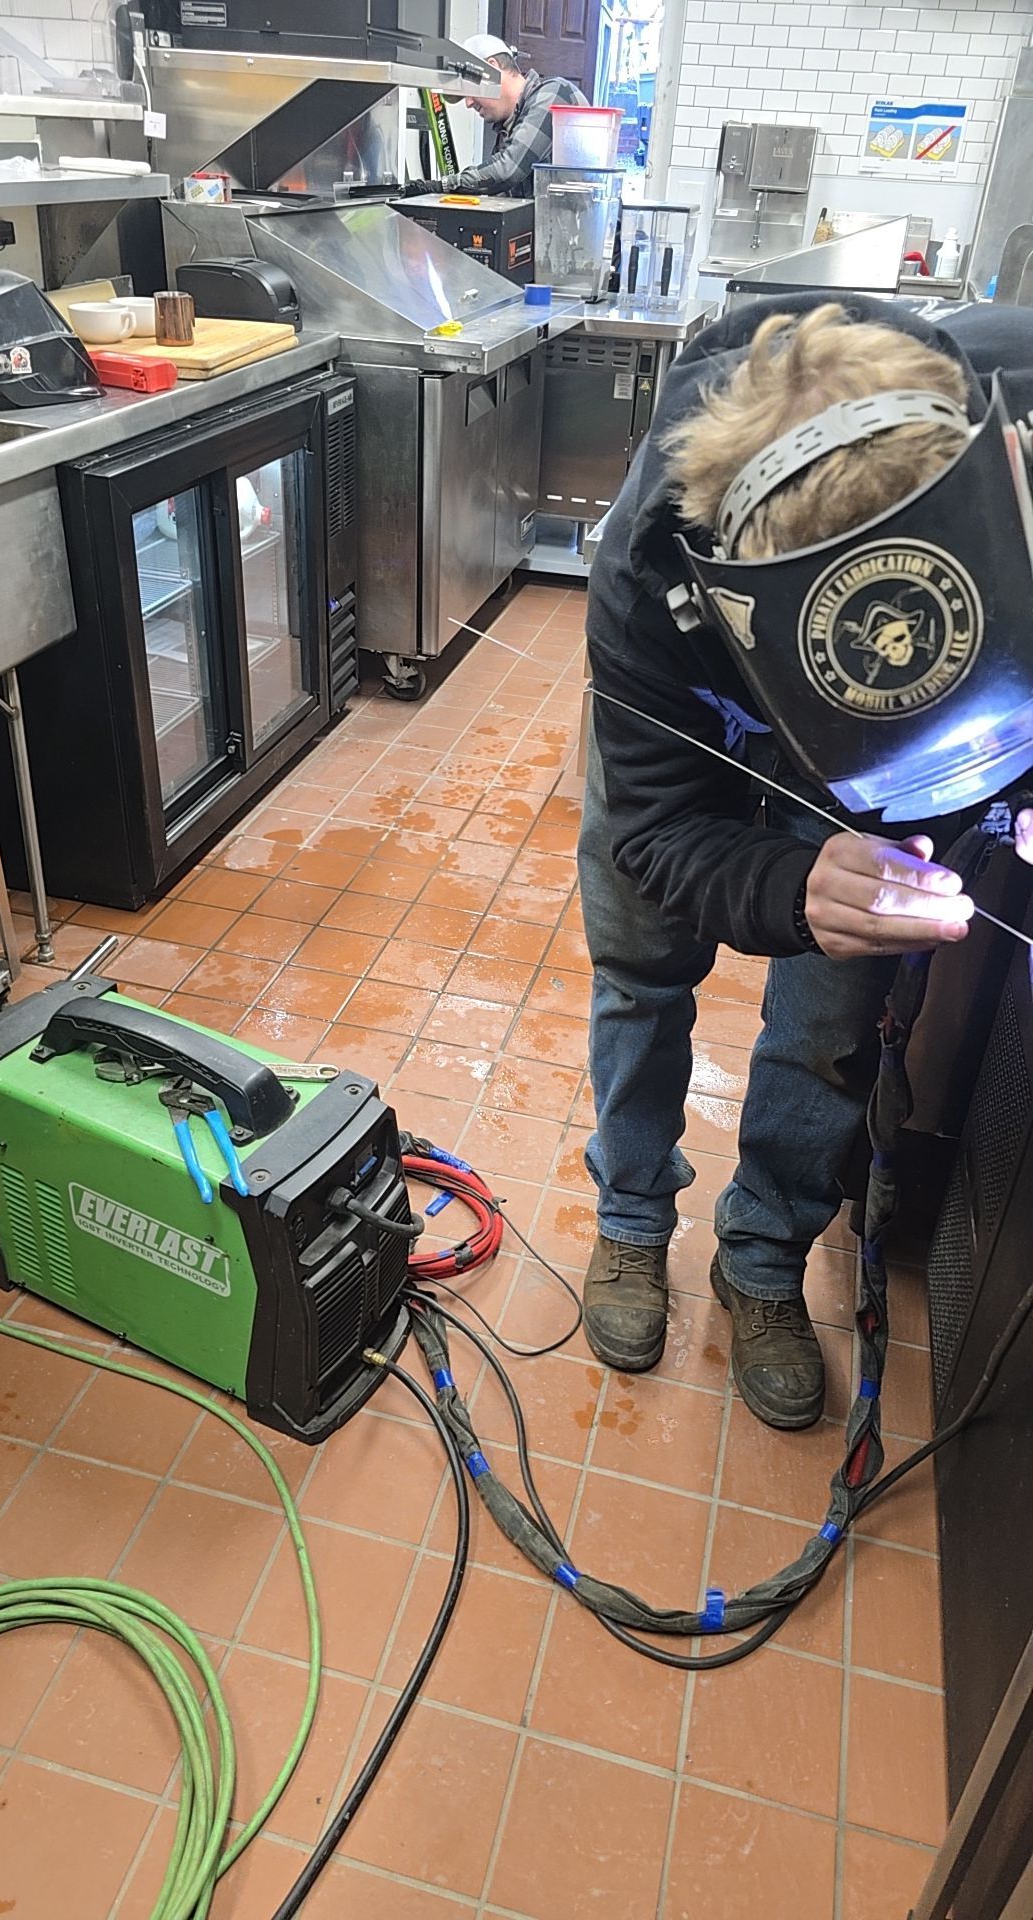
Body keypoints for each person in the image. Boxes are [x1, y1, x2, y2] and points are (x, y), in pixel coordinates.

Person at [580, 292, 1033, 1431]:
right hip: (705, 723)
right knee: (642, 971)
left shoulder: (1010, 408)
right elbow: (654, 830)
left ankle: (764, 1254)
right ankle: (634, 1218)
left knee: (831, 1020)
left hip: (860, 765)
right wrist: (791, 886)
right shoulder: (651, 572)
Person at [402, 33, 587, 200]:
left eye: (468, 90)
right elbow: (495, 193)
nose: (468, 103)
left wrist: (438, 186)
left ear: (491, 69)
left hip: (575, 233)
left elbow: (507, 170)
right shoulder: (508, 128)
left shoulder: (554, 93)